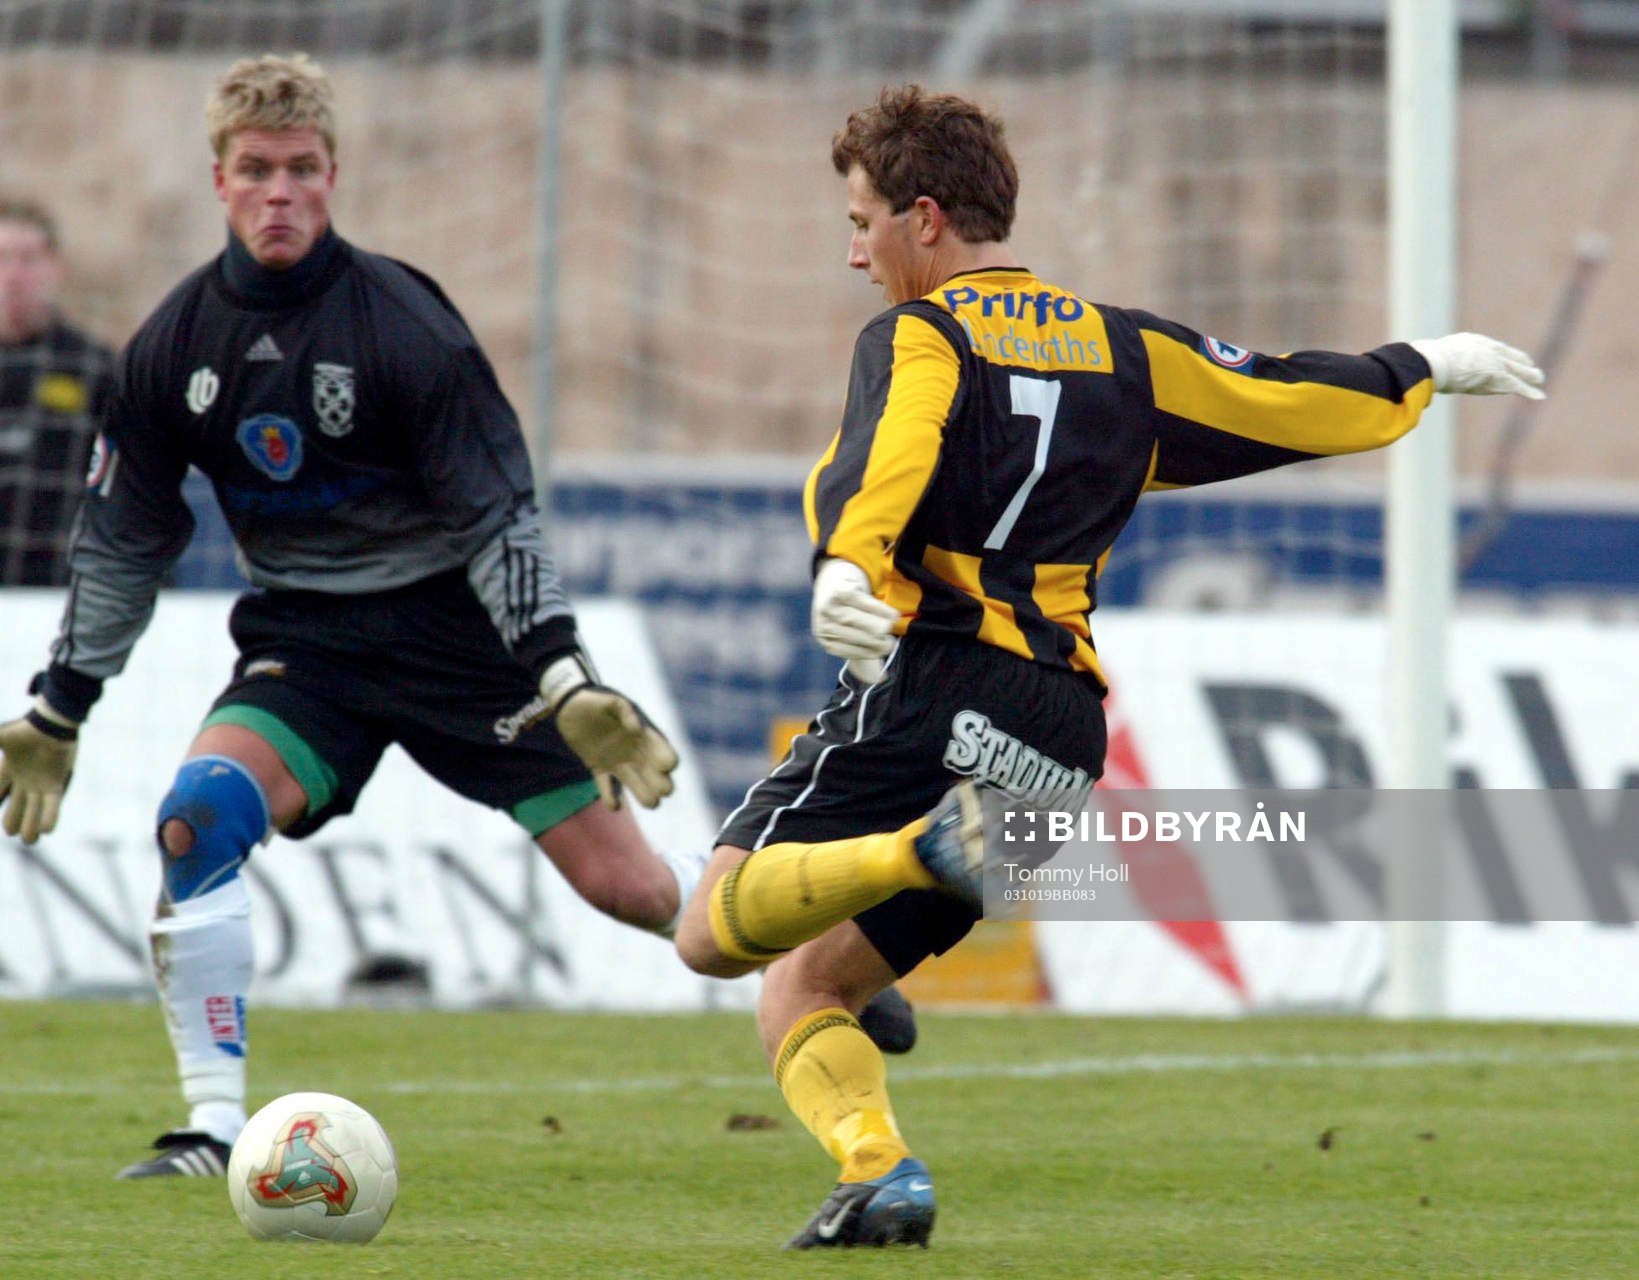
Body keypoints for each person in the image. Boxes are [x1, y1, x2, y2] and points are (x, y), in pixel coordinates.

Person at [673, 84, 1546, 1250]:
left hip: (939, 682)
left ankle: (906, 853)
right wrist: (1417, 364)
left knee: (714, 934)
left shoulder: (919, 335)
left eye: (861, 218)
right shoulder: (1122, 349)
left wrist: (846, 562)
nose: (853, 251)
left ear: (924, 219)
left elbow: (895, 447)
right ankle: (880, 1176)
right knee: (813, 987)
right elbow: (1279, 393)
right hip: (1058, 738)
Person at [0, 53, 703, 1180]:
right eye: (257, 171)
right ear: (218, 179)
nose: (280, 192)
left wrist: (563, 675)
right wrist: (61, 702)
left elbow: (497, 519)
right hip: (309, 649)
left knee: (637, 892)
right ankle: (214, 1124)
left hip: (460, 641)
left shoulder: (405, 324)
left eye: (302, 170)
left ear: (335, 175)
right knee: (195, 817)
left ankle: (803, 940)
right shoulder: (173, 345)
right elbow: (124, 542)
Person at [0, 197, 116, 586]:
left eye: (28, 259)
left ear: (56, 268)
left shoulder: (92, 367)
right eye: (1, 258)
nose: (14, 275)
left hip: (59, 585)